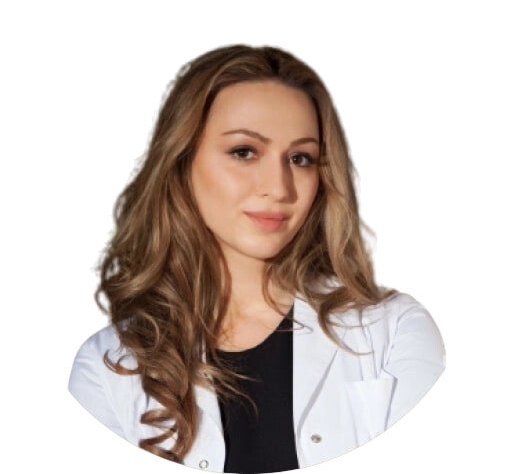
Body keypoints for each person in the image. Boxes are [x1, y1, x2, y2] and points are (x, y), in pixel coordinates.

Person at [68, 44, 446, 473]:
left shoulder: (396, 331)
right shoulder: (106, 370)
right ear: (181, 163)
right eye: (244, 152)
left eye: (300, 159)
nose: (279, 188)